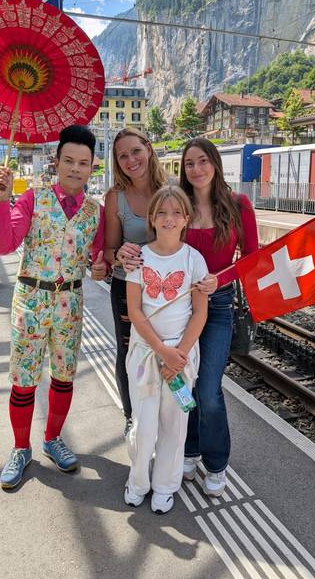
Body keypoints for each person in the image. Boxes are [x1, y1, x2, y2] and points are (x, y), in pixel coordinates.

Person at [0, 125, 107, 490]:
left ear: (92, 167)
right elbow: (7, 245)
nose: (75, 168)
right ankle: (20, 448)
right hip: (31, 299)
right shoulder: (31, 199)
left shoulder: (95, 212)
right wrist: (3, 200)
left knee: (64, 375)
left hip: (70, 302)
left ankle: (52, 439)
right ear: (56, 162)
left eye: (83, 163)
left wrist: (101, 267)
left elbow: (98, 260)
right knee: (24, 378)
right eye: (68, 160)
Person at [180, 138, 258, 496]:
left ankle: (215, 462)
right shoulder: (177, 204)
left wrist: (219, 279)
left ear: (215, 163)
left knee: (209, 390)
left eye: (202, 161)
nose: (195, 170)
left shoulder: (239, 205)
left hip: (219, 306)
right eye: (189, 164)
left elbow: (252, 260)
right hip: (179, 306)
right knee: (184, 384)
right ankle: (189, 448)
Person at [124, 186, 208, 514]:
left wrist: (179, 353)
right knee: (143, 423)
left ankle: (165, 485)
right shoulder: (139, 259)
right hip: (146, 352)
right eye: (162, 212)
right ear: (152, 218)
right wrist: (162, 351)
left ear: (186, 219)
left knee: (175, 424)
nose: (169, 219)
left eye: (176, 213)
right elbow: (135, 310)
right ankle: (138, 480)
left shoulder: (193, 260)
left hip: (182, 354)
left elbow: (200, 312)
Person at [104, 128, 167, 433]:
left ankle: (165, 418)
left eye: (136, 151)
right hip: (126, 287)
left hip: (168, 288)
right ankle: (133, 418)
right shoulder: (115, 197)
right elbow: (108, 250)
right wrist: (120, 254)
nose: (131, 160)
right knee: (129, 350)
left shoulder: (171, 190)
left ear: (149, 149)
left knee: (165, 349)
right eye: (123, 156)